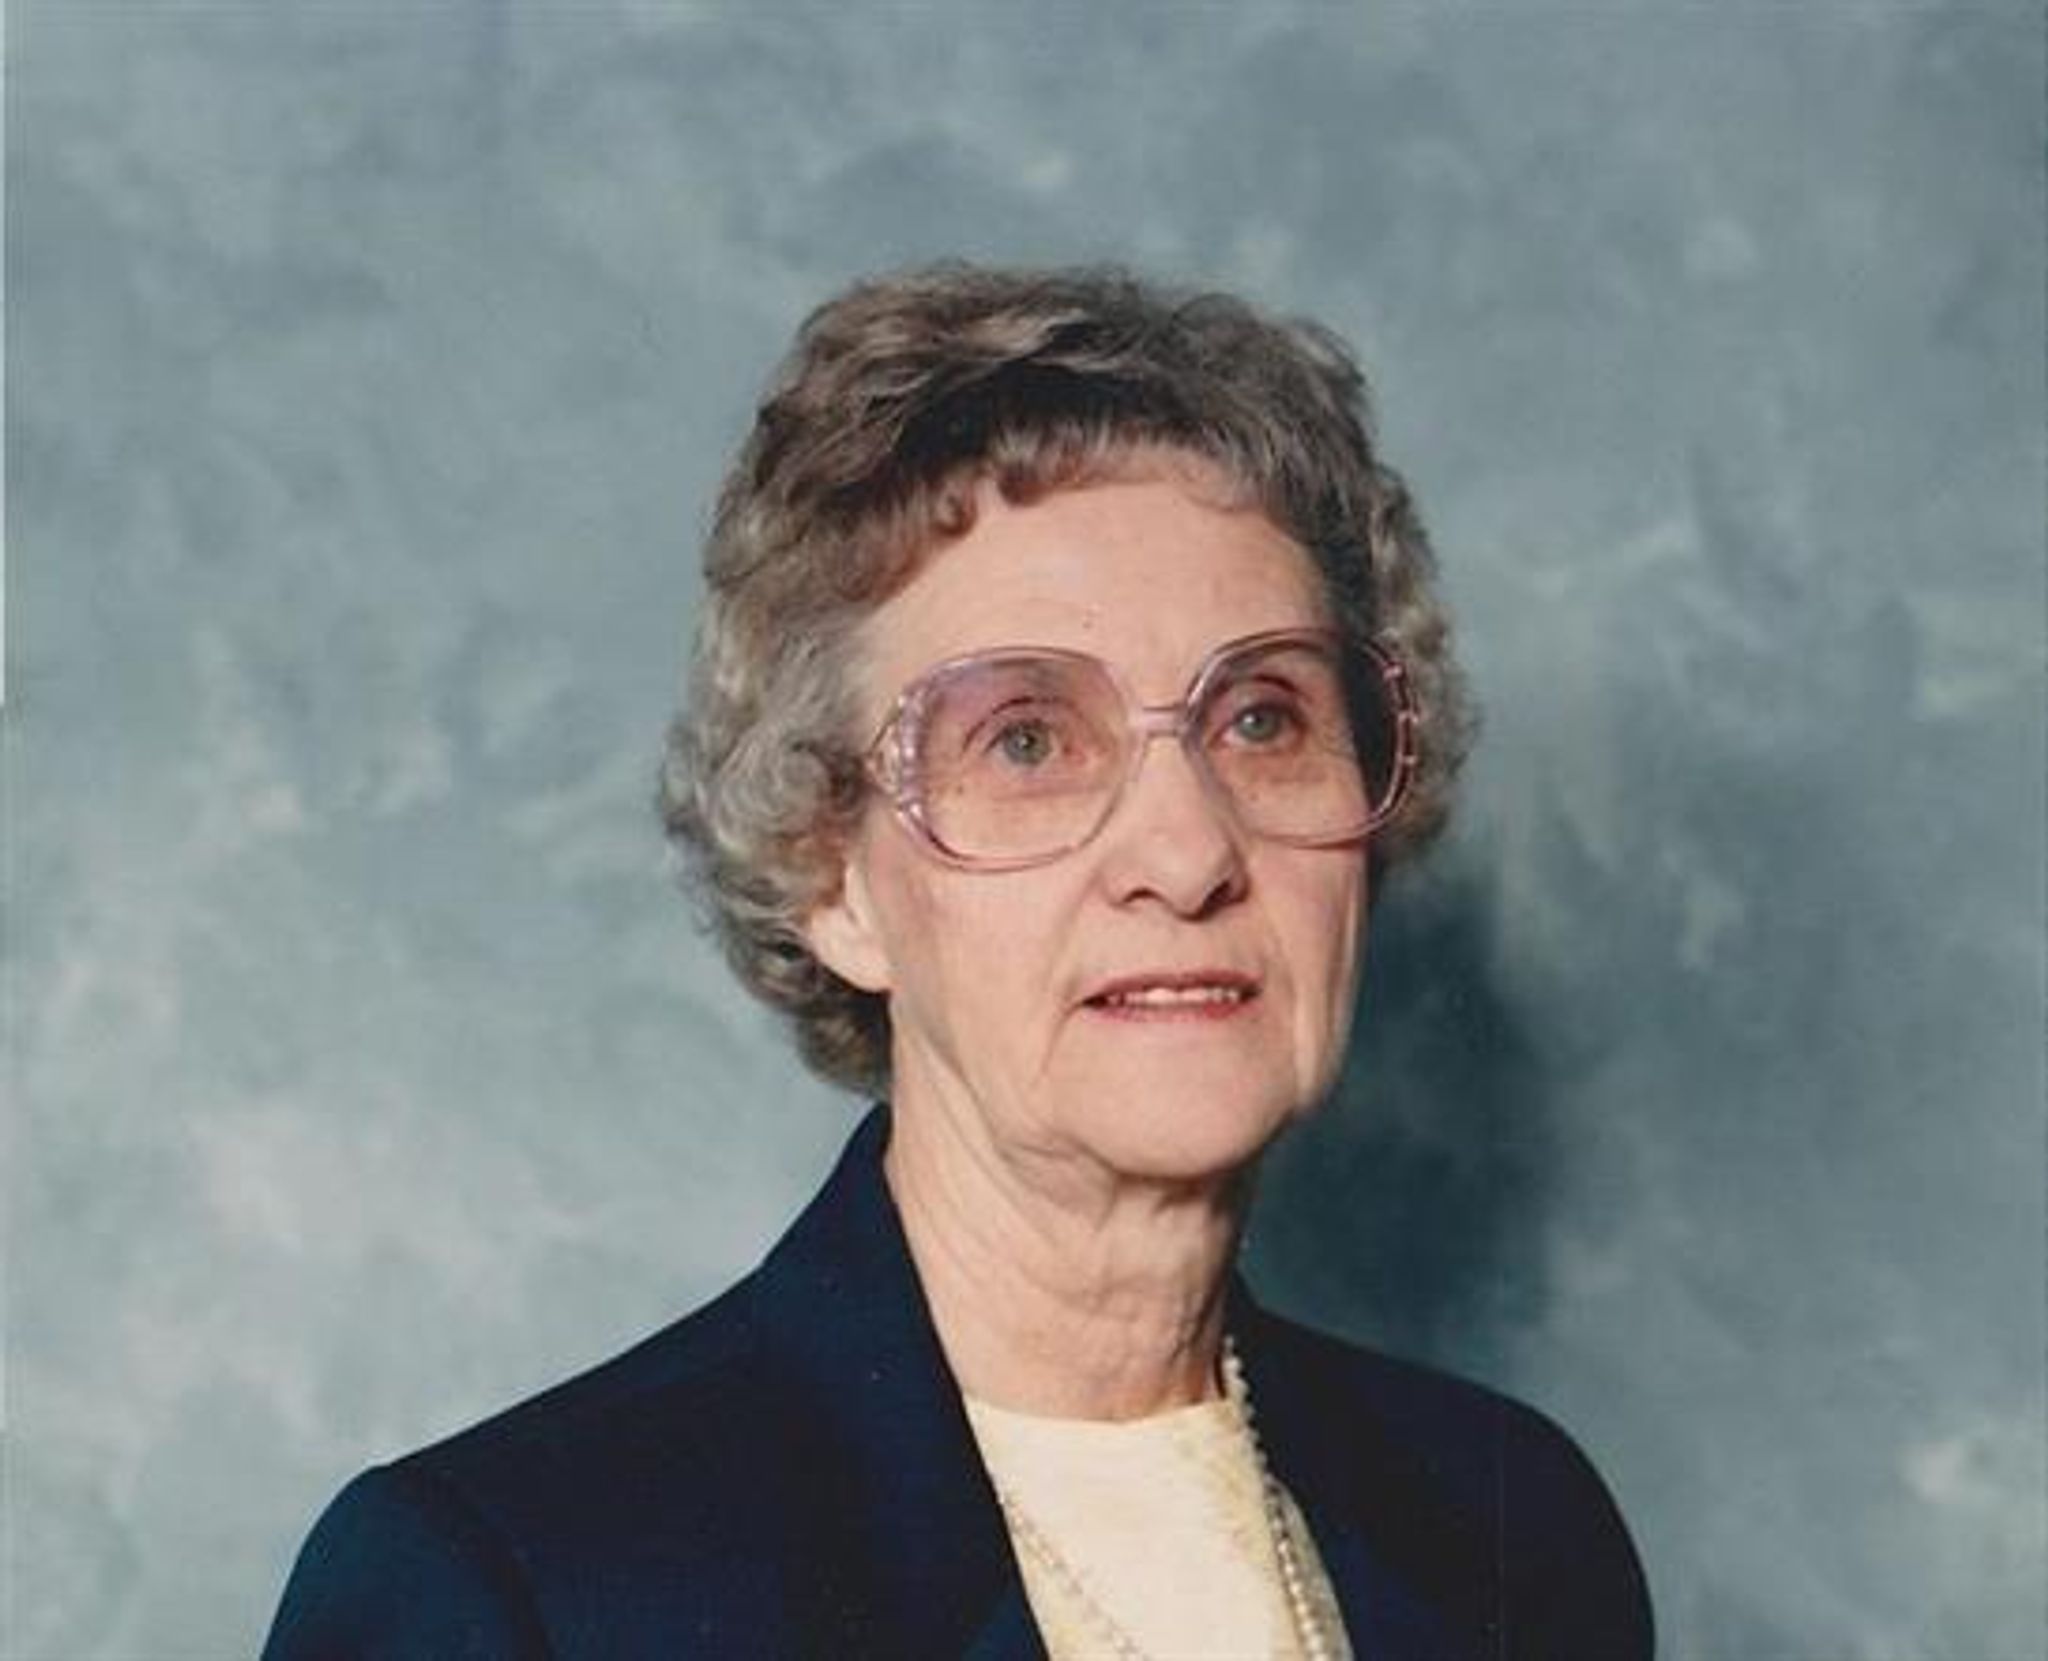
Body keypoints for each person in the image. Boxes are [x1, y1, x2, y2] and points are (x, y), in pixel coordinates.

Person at [264, 264, 1653, 1658]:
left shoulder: (1514, 1530)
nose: (1187, 852)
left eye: (1261, 718)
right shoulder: (514, 1592)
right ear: (830, 873)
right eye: (1028, 740)